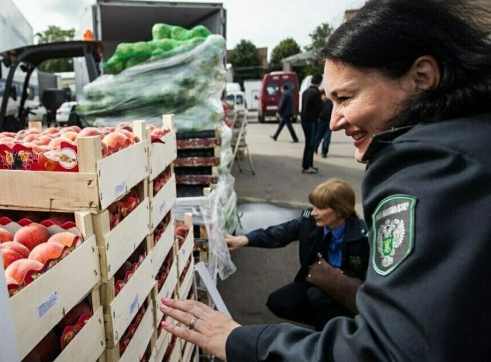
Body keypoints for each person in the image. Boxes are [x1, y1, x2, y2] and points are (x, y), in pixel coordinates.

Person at [158, 0, 491, 360]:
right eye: (330, 101)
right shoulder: (472, 140)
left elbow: (389, 350)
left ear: (422, 77)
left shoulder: (429, 164)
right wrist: (245, 239)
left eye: (346, 98)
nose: (333, 121)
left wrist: (239, 340)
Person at [225, 178, 368, 330]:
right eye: (314, 206)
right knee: (278, 302)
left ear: (340, 210)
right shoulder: (310, 222)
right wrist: (245, 239)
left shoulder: (365, 236)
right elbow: (281, 233)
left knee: (316, 296)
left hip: (349, 293)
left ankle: (340, 330)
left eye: (320, 208)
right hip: (317, 282)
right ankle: (328, 324)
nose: (313, 212)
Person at [300, 74, 323, 174]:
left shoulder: (305, 92)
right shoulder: (316, 93)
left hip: (304, 120)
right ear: (319, 82)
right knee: (311, 144)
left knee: (308, 143)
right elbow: (320, 108)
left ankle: (308, 164)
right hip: (312, 121)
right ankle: (307, 166)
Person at [314, 91, 333, 158]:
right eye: (323, 95)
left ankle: (324, 151)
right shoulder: (319, 103)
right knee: (318, 137)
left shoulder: (330, 103)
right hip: (320, 122)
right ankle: (315, 146)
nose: (324, 97)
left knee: (327, 138)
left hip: (328, 122)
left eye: (325, 95)